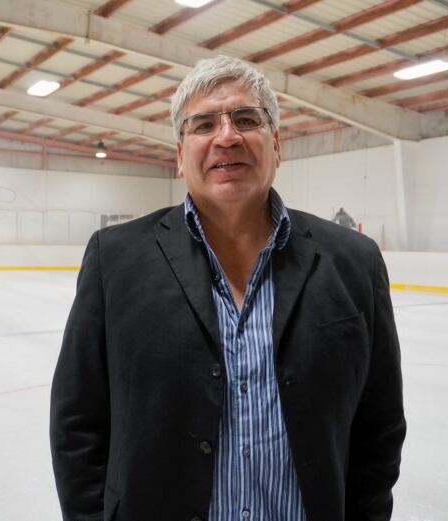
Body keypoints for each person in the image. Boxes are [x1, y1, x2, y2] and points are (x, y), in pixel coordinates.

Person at [50, 55, 406, 521]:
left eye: (245, 119)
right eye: (203, 125)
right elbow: (78, 424)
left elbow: (378, 426)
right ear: (180, 154)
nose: (227, 136)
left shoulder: (353, 261)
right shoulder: (114, 259)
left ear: (276, 145)